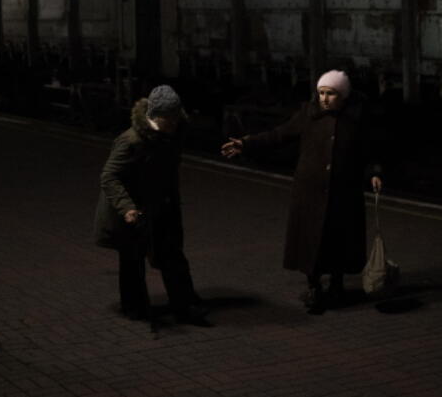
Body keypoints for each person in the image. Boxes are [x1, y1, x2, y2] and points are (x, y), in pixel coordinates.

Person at [222, 70, 383, 314]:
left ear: (343, 95)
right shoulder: (309, 115)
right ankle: (314, 286)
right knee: (311, 241)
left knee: (339, 240)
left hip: (343, 192)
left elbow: (368, 151)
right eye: (321, 93)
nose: (325, 99)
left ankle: (337, 286)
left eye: (331, 94)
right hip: (310, 192)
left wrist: (374, 172)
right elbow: (279, 135)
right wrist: (246, 143)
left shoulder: (356, 119)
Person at [94, 85, 210, 327]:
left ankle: (186, 306)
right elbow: (109, 176)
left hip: (161, 204)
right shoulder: (131, 140)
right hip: (134, 207)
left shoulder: (175, 131)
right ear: (154, 116)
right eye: (168, 120)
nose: (173, 124)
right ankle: (134, 307)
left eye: (176, 118)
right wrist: (126, 207)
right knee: (132, 260)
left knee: (172, 255)